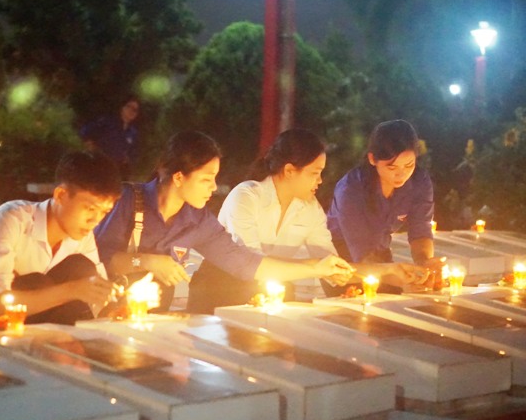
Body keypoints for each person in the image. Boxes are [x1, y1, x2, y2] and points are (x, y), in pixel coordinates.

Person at [93, 130, 355, 313]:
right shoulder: (128, 200)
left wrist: (316, 268)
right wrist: (146, 261)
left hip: (152, 316)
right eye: (206, 179)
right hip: (105, 311)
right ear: (179, 177)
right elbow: (98, 259)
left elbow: (246, 264)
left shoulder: (199, 221)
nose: (213, 187)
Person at [188, 129, 428, 313]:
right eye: (315, 173)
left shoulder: (309, 208)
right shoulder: (246, 196)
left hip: (269, 295)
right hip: (219, 291)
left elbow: (332, 268)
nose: (320, 181)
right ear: (289, 171)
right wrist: (315, 266)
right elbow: (249, 265)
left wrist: (389, 271)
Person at [0, 150, 120, 325]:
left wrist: (116, 308)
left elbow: (98, 291)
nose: (95, 220)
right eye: (90, 209)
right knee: (39, 282)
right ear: (61, 195)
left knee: (79, 267)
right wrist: (72, 290)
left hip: (18, 324)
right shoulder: (10, 219)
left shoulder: (82, 234)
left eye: (104, 212)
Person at [326, 119, 444, 296]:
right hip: (342, 261)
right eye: (392, 167)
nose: (401, 174)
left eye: (409, 165)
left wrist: (424, 263)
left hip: (380, 251)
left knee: (394, 301)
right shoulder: (351, 190)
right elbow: (362, 254)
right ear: (372, 159)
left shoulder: (419, 182)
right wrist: (402, 278)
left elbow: (420, 230)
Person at [79, 96, 140, 179]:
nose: (131, 111)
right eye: (129, 106)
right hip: (97, 163)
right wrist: (89, 144)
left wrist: (127, 160)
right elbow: (85, 130)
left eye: (135, 110)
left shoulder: (133, 132)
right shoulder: (108, 121)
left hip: (115, 170)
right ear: (122, 108)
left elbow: (133, 152)